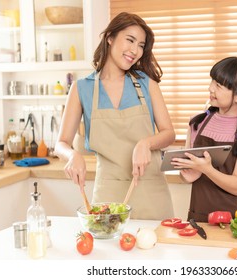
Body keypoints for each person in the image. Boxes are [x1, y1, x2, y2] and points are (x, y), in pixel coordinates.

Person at [55, 12, 175, 220]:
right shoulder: (81, 89)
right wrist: (72, 155)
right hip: (108, 192)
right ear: (110, 37)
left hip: (151, 189)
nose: (135, 50)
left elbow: (169, 133)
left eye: (140, 45)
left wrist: (145, 143)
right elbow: (61, 143)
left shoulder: (147, 84)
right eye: (130, 40)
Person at [171, 56, 237, 222]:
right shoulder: (197, 122)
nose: (210, 88)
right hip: (200, 214)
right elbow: (187, 176)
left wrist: (207, 169)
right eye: (212, 82)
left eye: (219, 86)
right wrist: (188, 173)